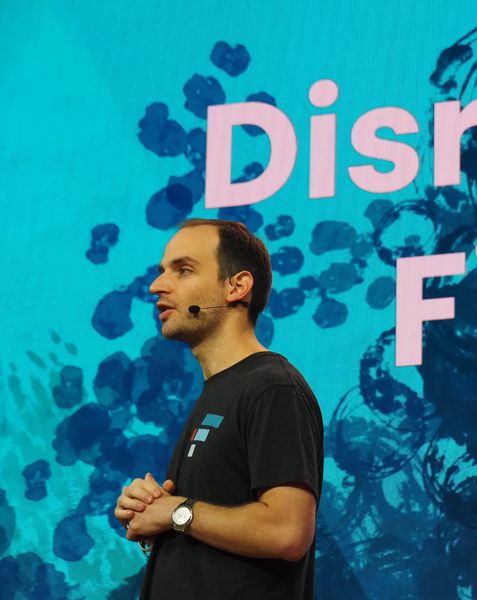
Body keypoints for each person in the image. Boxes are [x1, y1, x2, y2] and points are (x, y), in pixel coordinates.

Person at [113, 219, 324, 599]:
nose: (157, 285)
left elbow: (287, 531)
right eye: (162, 271)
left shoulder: (272, 387)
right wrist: (153, 515)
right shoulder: (220, 392)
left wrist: (176, 512)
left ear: (237, 286)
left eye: (183, 270)